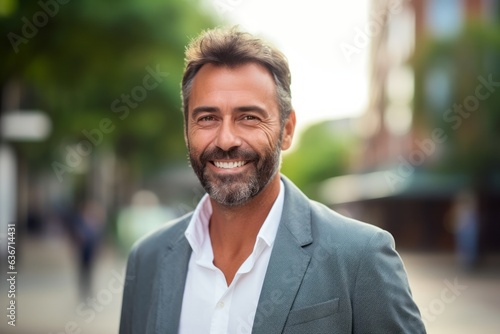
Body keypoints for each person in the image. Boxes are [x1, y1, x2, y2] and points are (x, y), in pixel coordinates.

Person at [119, 27, 426, 334]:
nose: (226, 139)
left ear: (288, 130)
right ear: (186, 130)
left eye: (249, 117)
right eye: (207, 118)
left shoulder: (361, 256)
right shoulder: (147, 259)